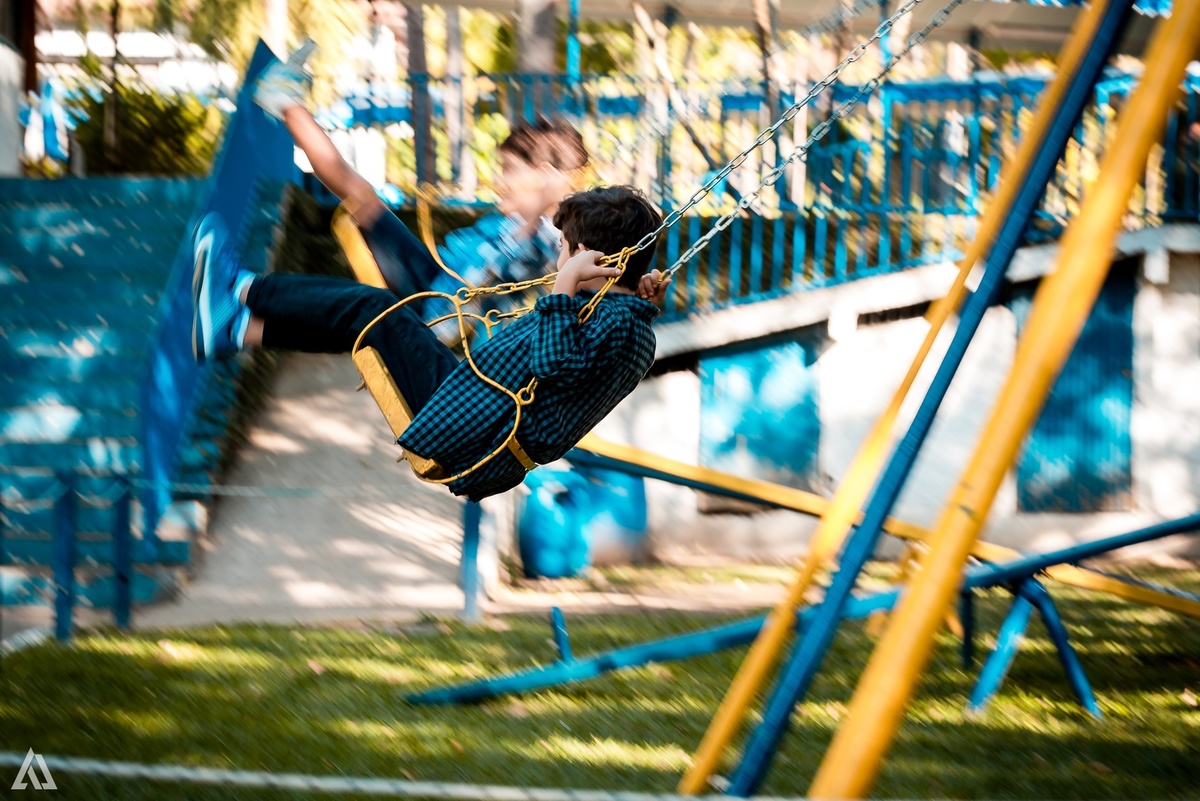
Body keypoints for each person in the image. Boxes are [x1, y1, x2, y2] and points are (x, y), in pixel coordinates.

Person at [190, 185, 671, 502]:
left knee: (372, 309)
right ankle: (232, 328)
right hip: (474, 407)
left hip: (472, 428)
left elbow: (555, 363)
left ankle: (239, 288)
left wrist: (564, 287)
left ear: (594, 258)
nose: (559, 259)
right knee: (364, 329)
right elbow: (592, 353)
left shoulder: (618, 322)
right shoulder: (623, 317)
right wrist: (637, 292)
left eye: (567, 249)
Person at [253, 41, 587, 342]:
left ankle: (286, 102)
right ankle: (240, 331)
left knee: (359, 221)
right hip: (431, 276)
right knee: (359, 201)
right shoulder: (521, 224)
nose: (500, 180)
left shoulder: (549, 239)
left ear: (546, 176)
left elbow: (491, 277)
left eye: (510, 171)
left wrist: (545, 203)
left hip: (434, 302)